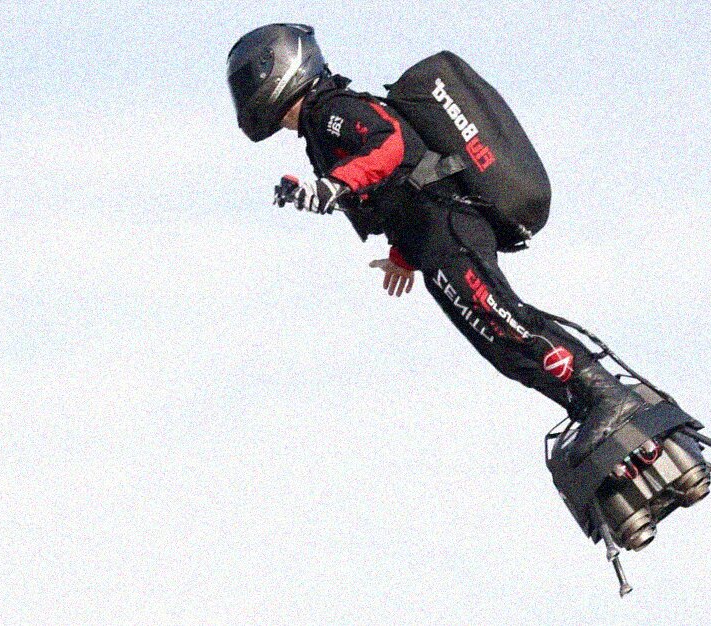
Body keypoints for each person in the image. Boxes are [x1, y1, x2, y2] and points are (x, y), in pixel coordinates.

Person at [226, 23, 647, 463]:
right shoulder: (318, 129)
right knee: (499, 345)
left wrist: (332, 186)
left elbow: (391, 147)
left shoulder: (330, 109)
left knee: (499, 314)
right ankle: (587, 407)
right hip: (432, 241)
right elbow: (396, 191)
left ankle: (607, 397)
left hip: (450, 225)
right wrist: (401, 255)